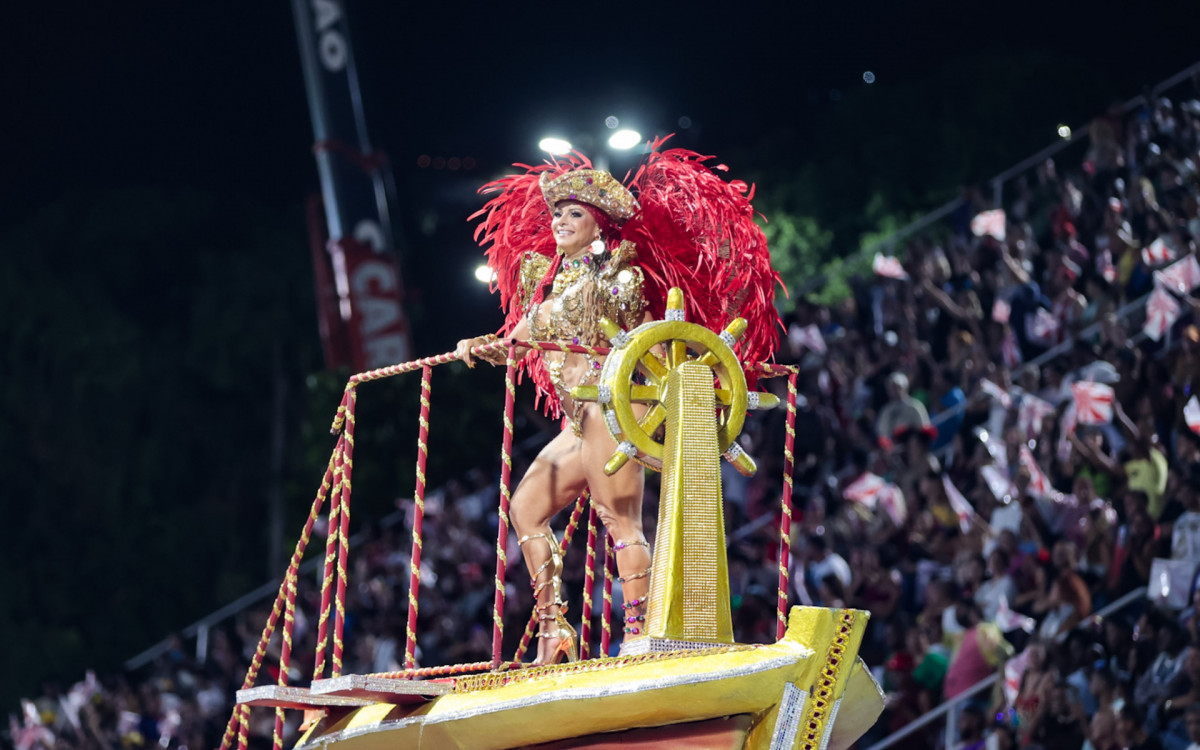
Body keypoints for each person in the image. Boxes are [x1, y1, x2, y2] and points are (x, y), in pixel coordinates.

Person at [456, 144, 779, 664]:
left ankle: (641, 631)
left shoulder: (621, 278)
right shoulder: (548, 284)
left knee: (617, 518)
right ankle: (551, 628)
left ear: (599, 226)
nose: (560, 221)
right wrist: (478, 347)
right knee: (525, 510)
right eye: (556, 213)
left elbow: (637, 341)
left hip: (612, 412)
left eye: (574, 213)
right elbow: (514, 343)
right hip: (575, 424)